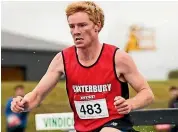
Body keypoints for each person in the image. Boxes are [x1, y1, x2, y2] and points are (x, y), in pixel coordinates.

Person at [11, 1, 154, 132]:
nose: (76, 31)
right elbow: (37, 95)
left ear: (97, 26)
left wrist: (130, 103)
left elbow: (147, 93)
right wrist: (23, 103)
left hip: (115, 125)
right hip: (82, 128)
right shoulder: (62, 59)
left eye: (82, 25)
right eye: (71, 26)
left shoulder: (118, 58)